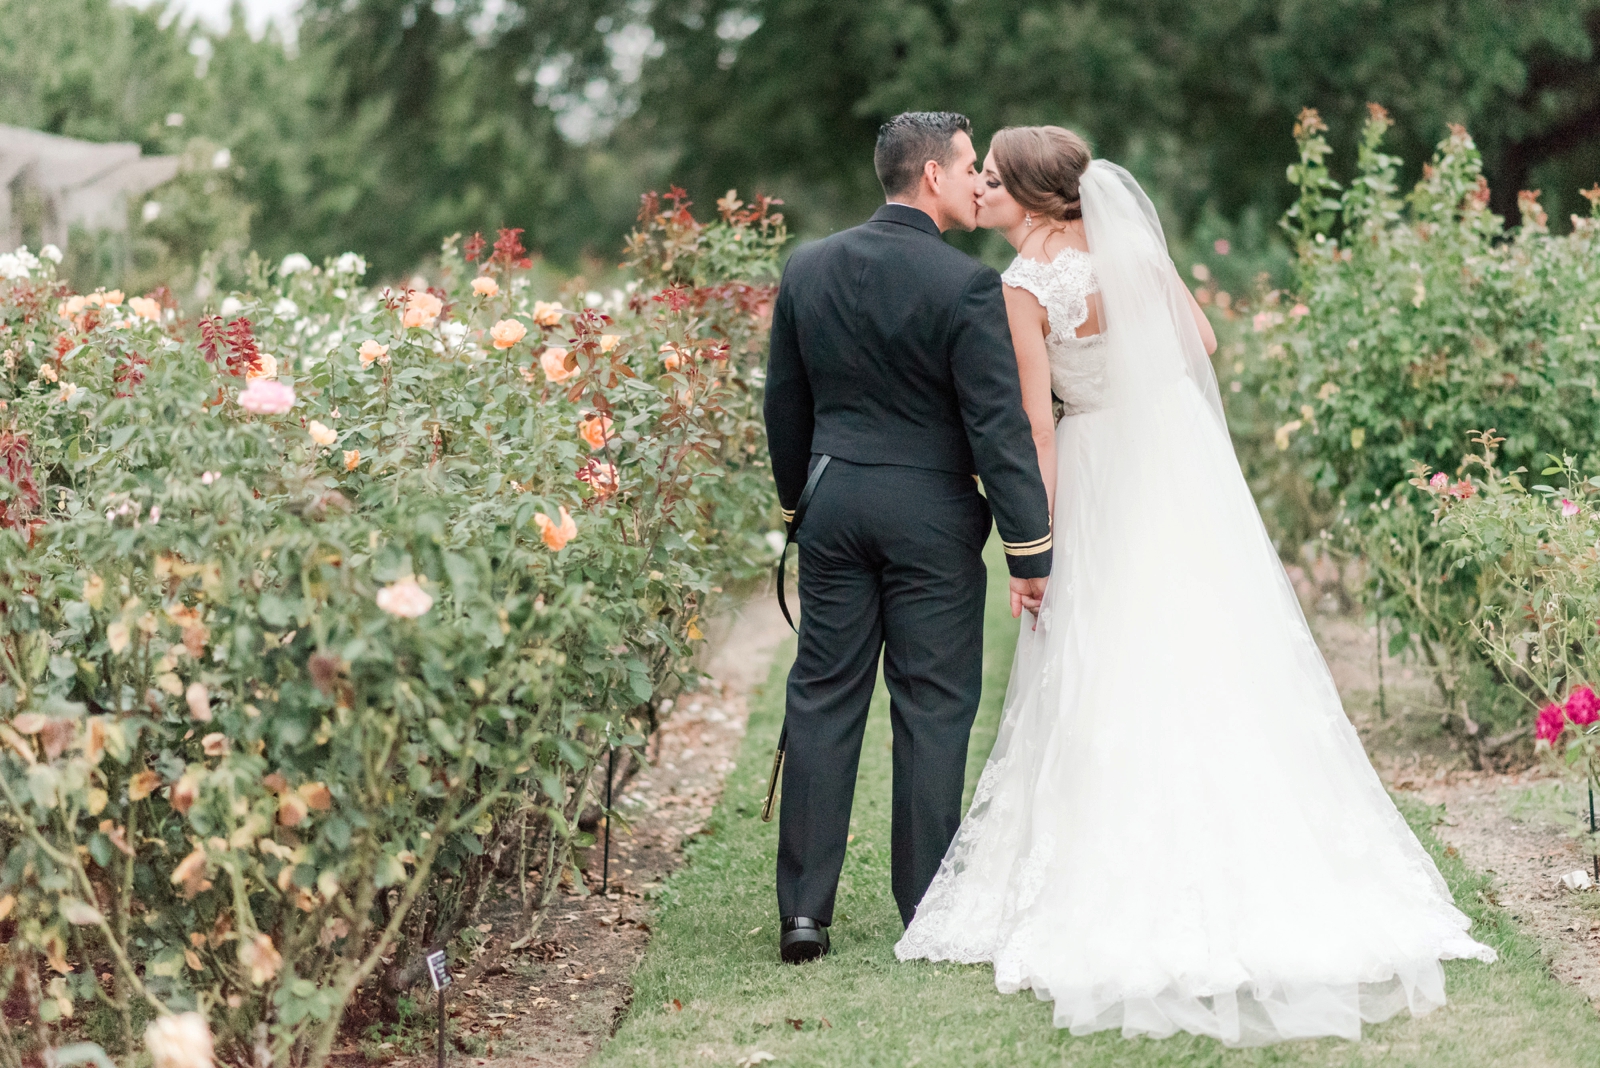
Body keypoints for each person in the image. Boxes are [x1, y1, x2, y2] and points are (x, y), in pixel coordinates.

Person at [894, 125, 1497, 1045]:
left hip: (1097, 465)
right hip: (1168, 460)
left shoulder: (1020, 287)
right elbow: (1202, 338)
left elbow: (1037, 430)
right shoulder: (1127, 250)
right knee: (1201, 644)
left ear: (1027, 194)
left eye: (992, 178)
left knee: (1108, 656)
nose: (980, 188)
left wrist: (1034, 548)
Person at [762, 112, 1053, 964]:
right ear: (931, 176)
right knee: (932, 705)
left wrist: (799, 503)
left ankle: (804, 914)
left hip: (835, 507)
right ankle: (926, 906)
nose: (977, 182)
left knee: (822, 696)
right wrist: (1029, 549)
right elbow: (997, 429)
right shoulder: (967, 287)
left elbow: (785, 403)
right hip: (931, 519)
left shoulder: (808, 266)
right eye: (969, 168)